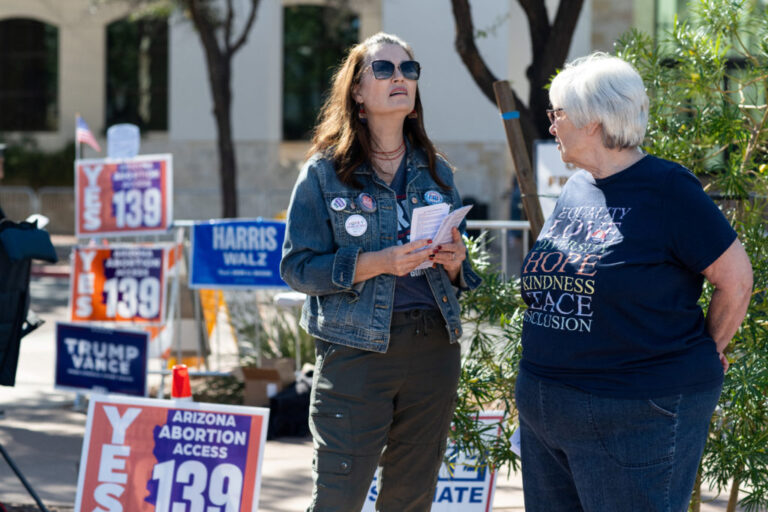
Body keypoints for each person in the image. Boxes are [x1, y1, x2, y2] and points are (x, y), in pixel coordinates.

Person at [515, 52, 753, 512]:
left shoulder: (668, 188)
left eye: (557, 113)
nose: (551, 126)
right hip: (549, 411)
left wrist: (708, 349)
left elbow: (736, 281)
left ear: (591, 121)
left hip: (635, 415)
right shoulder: (576, 186)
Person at [280, 32, 481, 511]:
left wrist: (455, 263)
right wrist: (380, 263)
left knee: (411, 498)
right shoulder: (324, 173)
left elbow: (459, 270)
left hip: (434, 346)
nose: (400, 78)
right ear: (357, 91)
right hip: (356, 353)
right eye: (385, 70)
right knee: (338, 497)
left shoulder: (436, 172)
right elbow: (297, 267)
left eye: (408, 71)